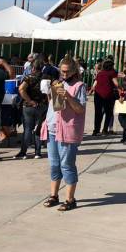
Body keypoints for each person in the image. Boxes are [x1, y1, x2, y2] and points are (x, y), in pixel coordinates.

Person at [41, 56, 87, 212]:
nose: (64, 74)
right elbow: (54, 105)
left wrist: (67, 95)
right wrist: (50, 92)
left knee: (66, 165)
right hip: (53, 128)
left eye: (67, 72)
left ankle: (70, 199)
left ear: (74, 70)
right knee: (54, 165)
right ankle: (54, 195)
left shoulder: (79, 86)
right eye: (62, 71)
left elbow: (80, 109)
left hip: (67, 130)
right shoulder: (57, 83)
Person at [17, 59, 48, 159]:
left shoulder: (29, 77)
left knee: (27, 129)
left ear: (33, 67)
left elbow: (21, 89)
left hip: (29, 106)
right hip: (42, 106)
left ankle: (23, 152)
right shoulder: (46, 77)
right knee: (38, 129)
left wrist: (29, 100)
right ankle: (38, 152)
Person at [91, 59, 117, 135]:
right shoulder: (112, 73)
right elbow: (116, 83)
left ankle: (96, 130)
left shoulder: (100, 73)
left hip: (98, 95)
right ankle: (105, 130)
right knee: (108, 113)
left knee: (98, 113)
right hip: (108, 95)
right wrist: (120, 88)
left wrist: (91, 90)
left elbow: (95, 83)